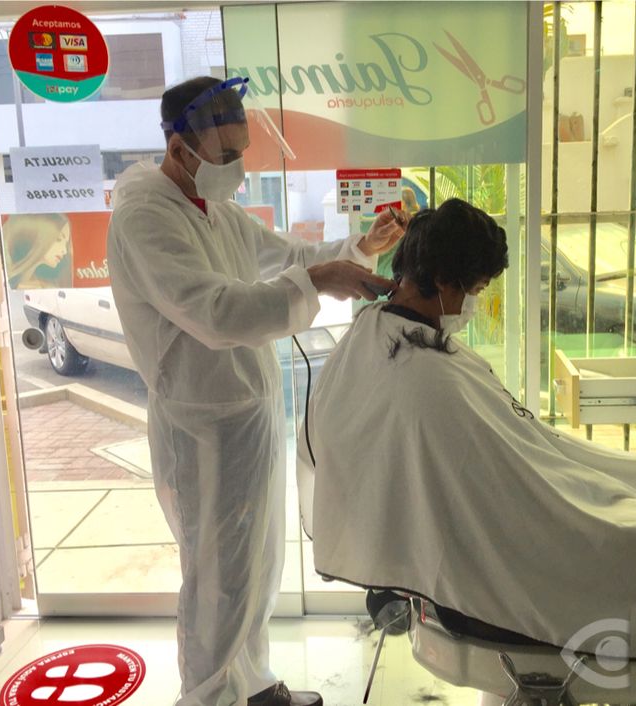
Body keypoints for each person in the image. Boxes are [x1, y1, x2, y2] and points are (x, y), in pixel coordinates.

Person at [297, 198, 636, 706]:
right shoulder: (425, 380)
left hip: (519, 510)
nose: (473, 304)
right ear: (445, 280)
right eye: (476, 290)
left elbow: (321, 447)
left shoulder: (373, 335)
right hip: (523, 551)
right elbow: (511, 498)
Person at [106, 76, 404, 706]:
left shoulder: (214, 210)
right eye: (225, 155)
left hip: (248, 412)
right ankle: (210, 697)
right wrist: (318, 280)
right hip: (203, 424)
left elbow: (288, 256)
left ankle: (251, 684)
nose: (237, 167)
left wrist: (359, 247)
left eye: (241, 151)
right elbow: (217, 313)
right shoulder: (146, 218)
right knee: (217, 577)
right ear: (179, 148)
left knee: (258, 566)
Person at [3, 213, 72, 289]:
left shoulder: (45, 285)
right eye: (58, 239)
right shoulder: (4, 281)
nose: (64, 251)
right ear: (38, 236)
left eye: (66, 243)